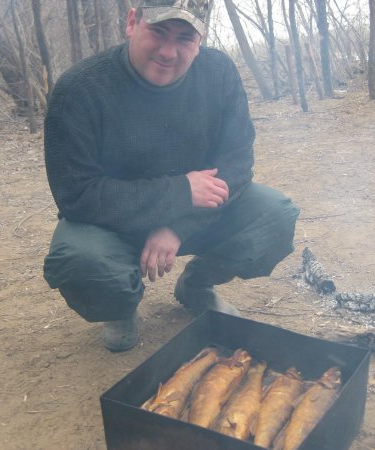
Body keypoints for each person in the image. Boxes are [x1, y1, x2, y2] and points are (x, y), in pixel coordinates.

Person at [42, 0, 299, 352]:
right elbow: (76, 194)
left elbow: (237, 164)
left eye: (184, 38)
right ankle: (119, 306)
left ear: (200, 40)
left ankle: (197, 284)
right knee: (80, 259)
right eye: (158, 32)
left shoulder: (218, 73)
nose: (168, 51)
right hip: (112, 225)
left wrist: (179, 225)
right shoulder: (80, 89)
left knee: (274, 213)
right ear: (133, 22)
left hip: (196, 215)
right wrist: (178, 192)